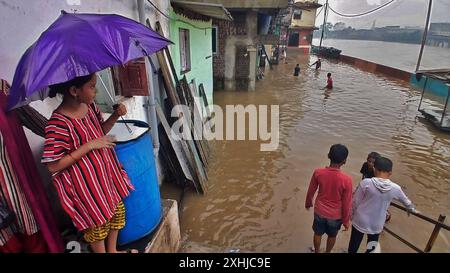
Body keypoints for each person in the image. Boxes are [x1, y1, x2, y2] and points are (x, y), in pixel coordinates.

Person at [41, 73, 136, 253]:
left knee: (117, 211)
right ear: (74, 90)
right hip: (86, 187)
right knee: (97, 224)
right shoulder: (57, 123)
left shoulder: (90, 107)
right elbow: (53, 165)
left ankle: (113, 250)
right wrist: (89, 146)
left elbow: (100, 131)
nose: (96, 91)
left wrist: (115, 115)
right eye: (92, 86)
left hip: (106, 177)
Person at [348, 157, 417, 253]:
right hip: (377, 222)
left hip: (360, 219)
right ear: (390, 173)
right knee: (371, 246)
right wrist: (411, 209)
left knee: (354, 245)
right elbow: (407, 203)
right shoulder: (395, 188)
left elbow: (355, 202)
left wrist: (351, 216)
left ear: (374, 169)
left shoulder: (366, 183)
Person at [305, 144, 353, 253]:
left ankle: (317, 251)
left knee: (317, 233)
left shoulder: (318, 173)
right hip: (335, 216)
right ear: (345, 161)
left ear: (328, 156)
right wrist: (346, 221)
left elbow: (311, 191)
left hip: (319, 211)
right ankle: (327, 252)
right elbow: (347, 203)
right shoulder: (347, 180)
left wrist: (308, 203)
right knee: (332, 236)